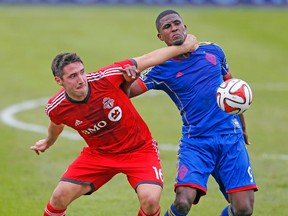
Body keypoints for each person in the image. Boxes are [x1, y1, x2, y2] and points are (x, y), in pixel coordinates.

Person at [29, 34, 198, 216]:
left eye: (81, 72)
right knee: (59, 197)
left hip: (139, 150)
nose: (80, 79)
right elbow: (56, 123)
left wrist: (183, 47)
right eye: (72, 76)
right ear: (59, 81)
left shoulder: (106, 78)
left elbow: (146, 59)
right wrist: (48, 141)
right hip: (99, 155)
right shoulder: (56, 106)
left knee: (150, 200)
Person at [124, 10, 258, 216]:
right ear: (161, 37)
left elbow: (232, 90)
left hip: (231, 138)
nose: (173, 28)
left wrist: (244, 128)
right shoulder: (161, 68)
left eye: (177, 23)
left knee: (243, 209)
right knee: (182, 203)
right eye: (167, 27)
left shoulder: (214, 51)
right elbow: (128, 93)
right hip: (197, 142)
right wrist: (129, 77)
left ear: (185, 26)